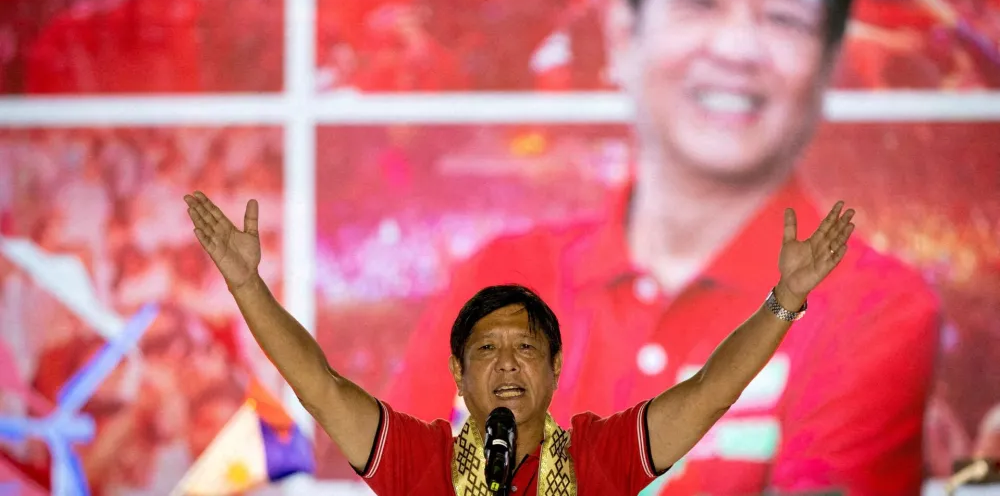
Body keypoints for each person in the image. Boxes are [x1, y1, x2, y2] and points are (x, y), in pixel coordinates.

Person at [385, 0, 940, 494]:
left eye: (783, 16)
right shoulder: (499, 279)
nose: (736, 47)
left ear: (830, 63)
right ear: (622, 33)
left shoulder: (875, 312)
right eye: (700, 2)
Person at [185, 190, 854, 494]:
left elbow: (709, 392)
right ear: (456, 373)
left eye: (526, 349)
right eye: (486, 350)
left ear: (556, 368)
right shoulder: (419, 463)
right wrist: (247, 286)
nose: (507, 364)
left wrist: (784, 300)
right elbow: (319, 384)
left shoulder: (599, 457)